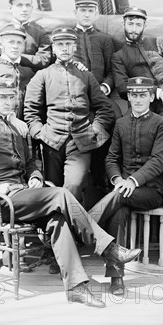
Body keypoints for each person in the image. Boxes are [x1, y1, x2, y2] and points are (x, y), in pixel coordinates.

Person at [0, 77, 141, 308]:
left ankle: (76, 288)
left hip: (23, 196)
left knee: (57, 220)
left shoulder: (16, 127)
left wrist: (35, 177)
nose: (9, 102)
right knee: (59, 194)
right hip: (1, 201)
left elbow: (31, 163)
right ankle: (109, 248)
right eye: (3, 97)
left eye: (12, 97)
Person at [89, 77, 163, 296]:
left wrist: (132, 182)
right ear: (129, 97)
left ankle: (83, 226)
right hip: (122, 190)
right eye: (134, 95)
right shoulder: (121, 123)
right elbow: (111, 159)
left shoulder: (162, 124)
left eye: (143, 95)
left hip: (151, 190)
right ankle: (117, 279)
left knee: (120, 197)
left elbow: (158, 161)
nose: (138, 99)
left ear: (152, 97)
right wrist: (117, 180)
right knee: (118, 213)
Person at [23, 27, 115, 206]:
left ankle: (71, 230)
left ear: (74, 48)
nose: (64, 48)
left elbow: (105, 108)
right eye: (60, 44)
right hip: (52, 142)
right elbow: (31, 111)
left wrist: (94, 129)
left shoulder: (86, 76)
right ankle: (57, 231)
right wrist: (39, 132)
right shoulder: (43, 75)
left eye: (68, 44)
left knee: (74, 184)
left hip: (81, 142)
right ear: (54, 49)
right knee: (52, 189)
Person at [71, 0, 122, 197]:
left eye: (90, 10)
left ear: (96, 14)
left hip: (100, 96)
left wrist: (105, 87)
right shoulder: (66, 38)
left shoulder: (104, 39)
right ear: (75, 12)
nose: (86, 14)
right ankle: (81, 180)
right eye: (82, 10)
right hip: (76, 97)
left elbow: (112, 71)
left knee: (115, 119)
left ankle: (104, 175)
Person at [112, 6, 163, 120]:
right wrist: (156, 91)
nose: (134, 29)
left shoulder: (158, 43)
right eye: (130, 24)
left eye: (138, 25)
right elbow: (122, 87)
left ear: (145, 26)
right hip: (141, 102)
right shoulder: (119, 56)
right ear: (123, 24)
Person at [0, 0, 53, 71]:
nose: (24, 9)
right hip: (4, 79)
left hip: (31, 81)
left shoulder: (40, 34)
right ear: (10, 8)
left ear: (31, 8)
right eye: (19, 5)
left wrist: (16, 57)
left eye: (27, 5)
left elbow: (44, 60)